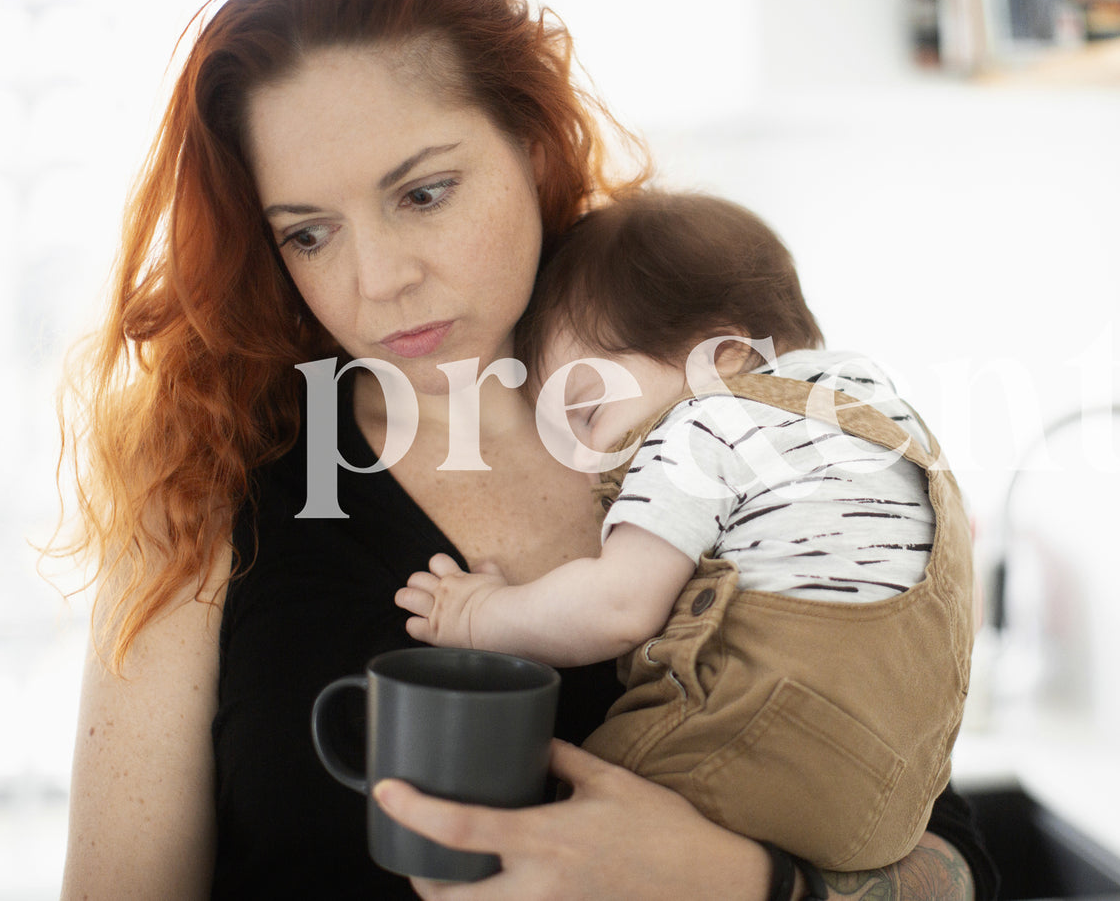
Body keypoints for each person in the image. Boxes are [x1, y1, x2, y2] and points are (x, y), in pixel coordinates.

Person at [53, 0, 997, 898]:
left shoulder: (702, 401)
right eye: (308, 233)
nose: (378, 281)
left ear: (535, 146)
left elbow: (944, 855)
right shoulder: (204, 481)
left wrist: (732, 883)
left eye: (423, 193)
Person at [397, 191, 975, 872]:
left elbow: (617, 606)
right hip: (892, 810)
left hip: (750, 749)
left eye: (586, 413)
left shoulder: (704, 423)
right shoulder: (877, 411)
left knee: (556, 839)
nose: (586, 465)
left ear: (722, 355)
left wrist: (480, 616)